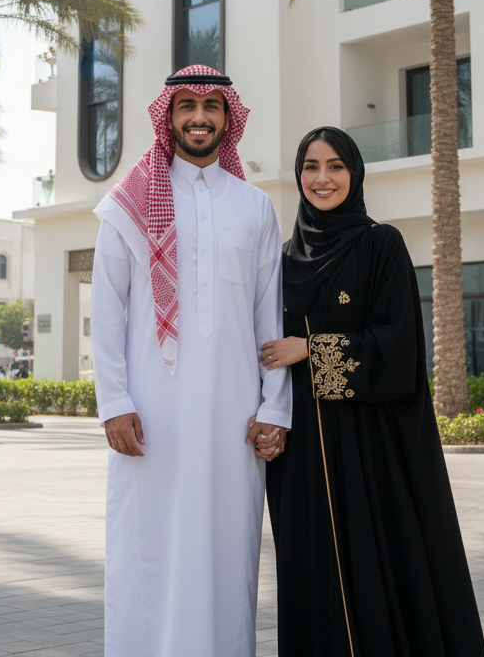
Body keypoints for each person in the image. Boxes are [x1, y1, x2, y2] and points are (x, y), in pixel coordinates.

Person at [260, 127, 484, 657]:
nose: (322, 178)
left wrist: (311, 350)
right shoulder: (283, 260)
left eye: (336, 166)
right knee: (311, 572)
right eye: (311, 167)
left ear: (355, 174)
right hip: (302, 454)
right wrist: (265, 416)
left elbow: (400, 347)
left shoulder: (381, 244)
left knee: (375, 567)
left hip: (368, 449)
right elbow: (261, 348)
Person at [91, 65, 291, 657]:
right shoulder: (128, 204)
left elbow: (269, 318)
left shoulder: (255, 206)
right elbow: (107, 310)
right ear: (169, 117)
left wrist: (275, 407)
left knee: (228, 550)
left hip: (235, 418)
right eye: (186, 106)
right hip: (151, 415)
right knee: (147, 548)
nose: (199, 117)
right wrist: (114, 402)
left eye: (211, 106)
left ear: (228, 118)